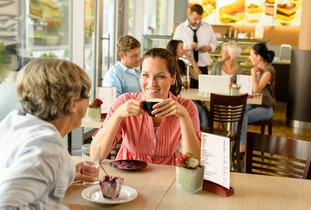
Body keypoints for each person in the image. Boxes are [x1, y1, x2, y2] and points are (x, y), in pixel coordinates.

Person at [0, 58, 94, 209]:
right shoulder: (47, 147)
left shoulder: (15, 121)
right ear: (73, 104)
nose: (89, 103)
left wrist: (63, 174)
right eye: (87, 96)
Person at [92, 48, 201, 165]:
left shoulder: (187, 107)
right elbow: (95, 156)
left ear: (173, 78)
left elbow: (193, 162)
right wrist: (117, 115)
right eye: (145, 75)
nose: (151, 83)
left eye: (160, 76)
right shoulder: (124, 102)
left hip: (166, 178)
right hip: (127, 176)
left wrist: (183, 116)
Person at [239, 43, 276, 153]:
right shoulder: (259, 68)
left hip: (266, 108)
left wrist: (253, 73)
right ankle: (238, 143)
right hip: (255, 104)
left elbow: (256, 89)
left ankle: (241, 145)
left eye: (251, 55)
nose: (250, 58)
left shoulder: (268, 71)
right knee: (238, 111)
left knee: (241, 117)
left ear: (258, 57)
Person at [166, 39, 208, 129]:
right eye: (181, 48)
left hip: (184, 96)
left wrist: (192, 60)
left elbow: (198, 76)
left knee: (202, 114)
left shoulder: (182, 64)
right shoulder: (167, 65)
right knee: (201, 113)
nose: (184, 50)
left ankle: (196, 135)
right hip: (173, 97)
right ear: (174, 49)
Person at [173, 4, 218, 88]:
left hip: (203, 65)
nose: (198, 21)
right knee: (187, 92)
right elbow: (174, 47)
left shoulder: (208, 27)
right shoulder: (181, 28)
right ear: (189, 15)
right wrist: (187, 48)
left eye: (200, 19)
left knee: (202, 91)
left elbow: (214, 43)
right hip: (185, 66)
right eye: (195, 19)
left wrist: (209, 48)